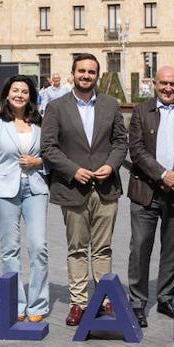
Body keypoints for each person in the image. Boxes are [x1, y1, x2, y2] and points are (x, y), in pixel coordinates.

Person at [41, 53, 128, 326]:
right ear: (73, 74)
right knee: (77, 249)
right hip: (73, 188)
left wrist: (112, 165)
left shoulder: (111, 105)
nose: (86, 76)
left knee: (103, 249)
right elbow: (49, 147)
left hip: (105, 187)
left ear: (97, 76)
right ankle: (78, 303)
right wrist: (72, 170)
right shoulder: (56, 107)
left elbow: (120, 142)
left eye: (91, 72)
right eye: (81, 71)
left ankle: (103, 300)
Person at [126, 66, 174, 328]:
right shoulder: (140, 111)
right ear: (154, 84)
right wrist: (161, 175)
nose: (168, 88)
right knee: (140, 248)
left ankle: (166, 297)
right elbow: (136, 149)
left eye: (173, 84)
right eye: (163, 84)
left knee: (172, 248)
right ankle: (137, 301)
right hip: (146, 190)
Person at [0, 75, 49, 322]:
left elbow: (52, 154)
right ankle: (17, 303)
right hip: (5, 191)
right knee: (10, 249)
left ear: (30, 95)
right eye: (15, 90)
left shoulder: (41, 122)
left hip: (35, 188)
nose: (19, 94)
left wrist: (39, 161)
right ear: (7, 95)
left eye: (24, 91)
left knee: (38, 246)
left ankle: (38, 303)